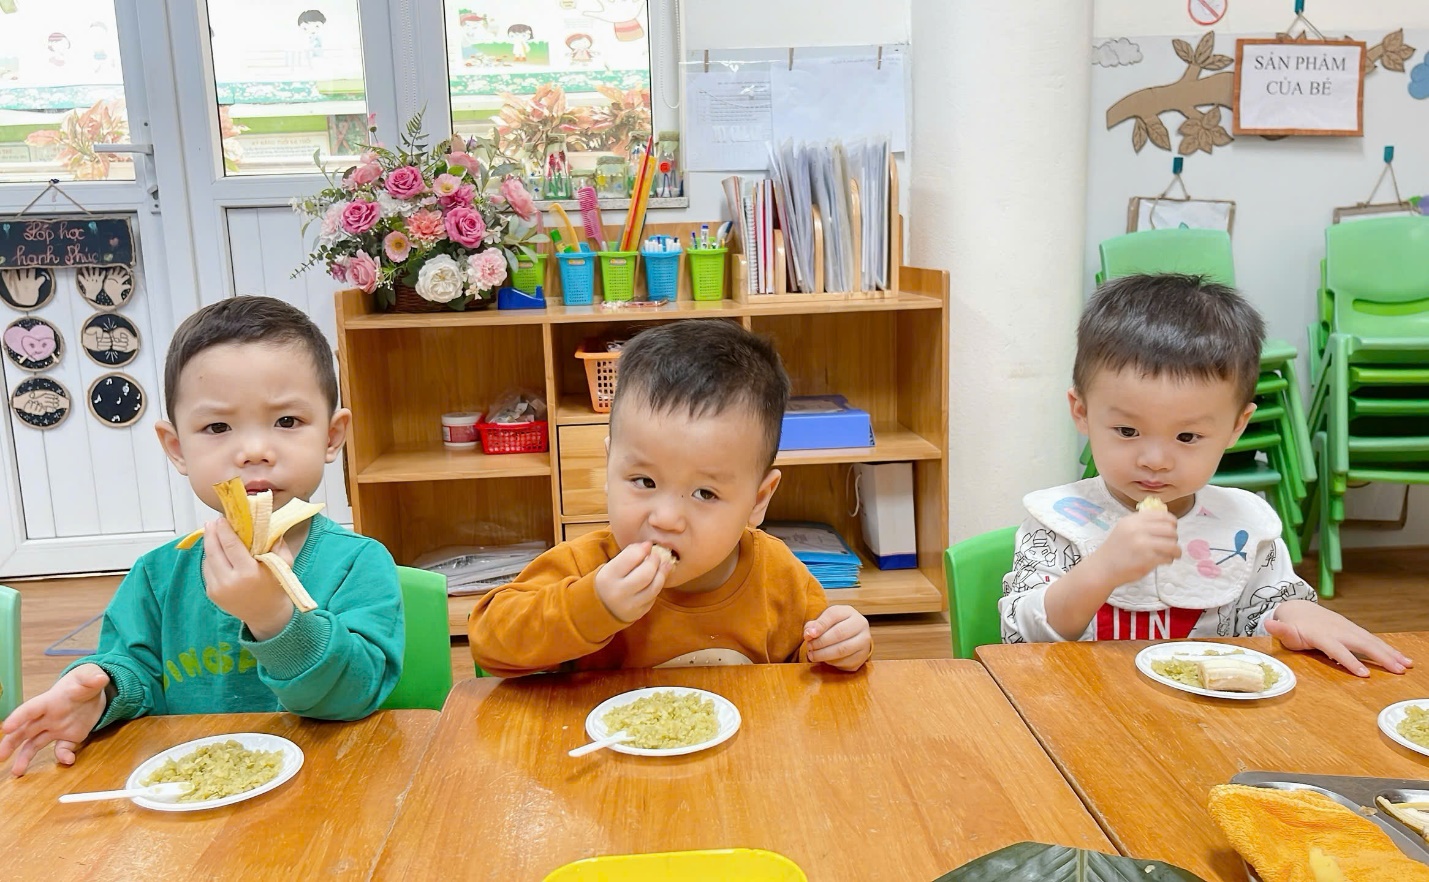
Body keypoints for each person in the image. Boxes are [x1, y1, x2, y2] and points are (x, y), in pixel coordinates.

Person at [0, 296, 403, 776]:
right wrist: (102, 690)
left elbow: (356, 694)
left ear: (333, 437)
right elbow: (136, 670)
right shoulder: (157, 575)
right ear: (177, 448)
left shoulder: (360, 564)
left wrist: (273, 617)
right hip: (193, 806)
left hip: (332, 791)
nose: (254, 450)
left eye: (287, 421)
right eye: (217, 426)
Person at [1000, 274, 1410, 677]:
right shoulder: (1058, 521)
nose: (1156, 460)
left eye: (1187, 436)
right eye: (1127, 431)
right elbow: (1023, 637)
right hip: (1085, 714)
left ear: (1237, 425)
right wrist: (1101, 568)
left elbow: (1264, 608)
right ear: (1082, 412)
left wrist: (1299, 615)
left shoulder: (1243, 524)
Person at [469, 320, 872, 676]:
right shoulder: (584, 567)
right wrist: (592, 606)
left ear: (758, 501)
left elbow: (809, 669)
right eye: (644, 481)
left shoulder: (779, 578)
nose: (665, 518)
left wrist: (839, 646)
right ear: (610, 469)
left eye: (704, 492)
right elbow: (490, 642)